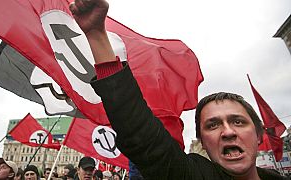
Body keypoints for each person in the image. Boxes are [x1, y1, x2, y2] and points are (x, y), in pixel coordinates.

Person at [69, 0, 289, 179]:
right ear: (202, 142)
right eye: (212, 125)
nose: (228, 131)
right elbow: (138, 132)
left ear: (259, 134)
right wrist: (97, 36)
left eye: (238, 121)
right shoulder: (193, 175)